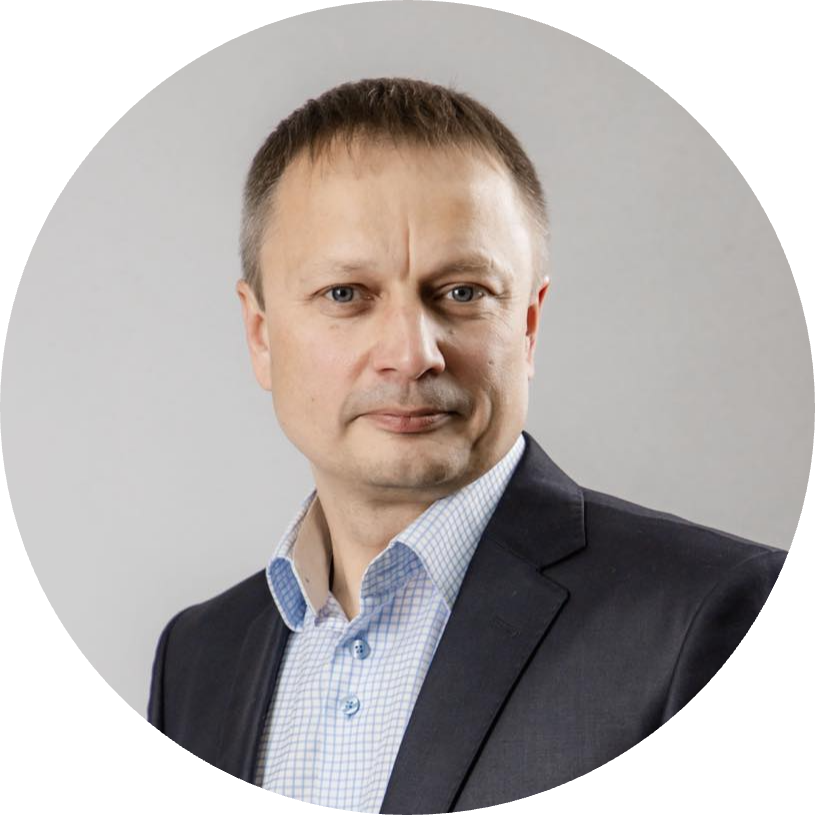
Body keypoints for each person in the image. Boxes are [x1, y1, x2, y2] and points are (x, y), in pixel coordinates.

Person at [147, 77, 786, 811]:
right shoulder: (196, 657)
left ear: (528, 325)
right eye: (346, 294)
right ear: (261, 336)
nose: (411, 354)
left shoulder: (709, 615)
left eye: (461, 292)